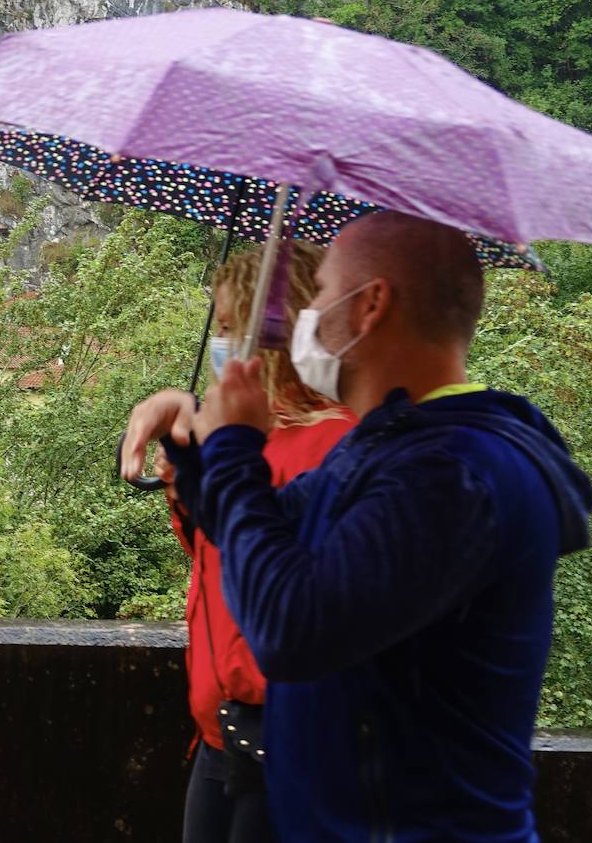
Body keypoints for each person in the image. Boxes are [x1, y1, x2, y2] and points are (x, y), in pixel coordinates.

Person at [121, 212, 592, 841]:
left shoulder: (452, 474)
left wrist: (236, 446)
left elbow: (292, 629)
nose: (306, 318)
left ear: (370, 304)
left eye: (320, 295)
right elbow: (269, 531)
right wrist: (196, 440)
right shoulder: (390, 450)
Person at [158, 243, 355, 843]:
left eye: (227, 327)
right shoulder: (246, 435)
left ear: (267, 330)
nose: (220, 344)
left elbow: (283, 581)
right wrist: (186, 480)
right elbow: (217, 565)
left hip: (283, 733)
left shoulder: (336, 445)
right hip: (219, 730)